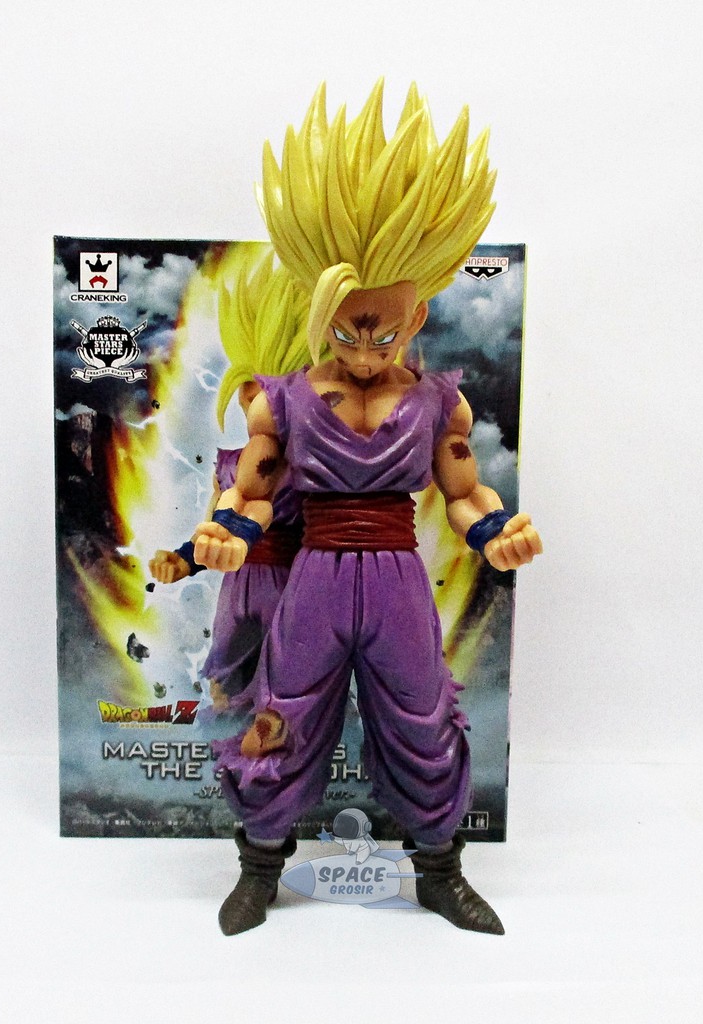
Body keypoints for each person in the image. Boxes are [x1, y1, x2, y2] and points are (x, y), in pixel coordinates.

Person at [193, 82, 542, 935]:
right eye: (345, 331)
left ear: (416, 315)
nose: (361, 351)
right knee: (282, 715)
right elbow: (255, 490)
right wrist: (229, 532)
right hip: (313, 580)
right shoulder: (281, 400)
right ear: (320, 311)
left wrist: (495, 531)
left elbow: (464, 492)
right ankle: (259, 870)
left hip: (396, 582)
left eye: (382, 332)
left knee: (423, 720)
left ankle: (440, 873)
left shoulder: (438, 402)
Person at [149, 248, 322, 711]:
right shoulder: (229, 462)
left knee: (297, 692)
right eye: (252, 390)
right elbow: (213, 528)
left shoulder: (319, 463)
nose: (259, 402)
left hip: (297, 586)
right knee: (226, 690)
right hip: (238, 589)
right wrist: (183, 560)